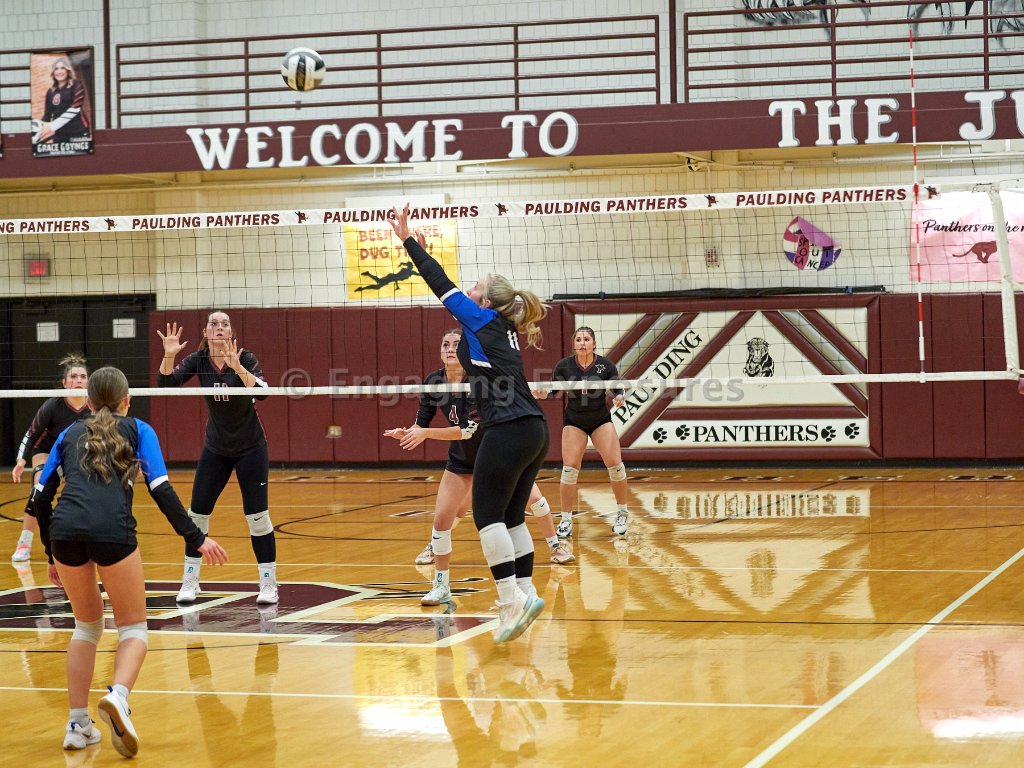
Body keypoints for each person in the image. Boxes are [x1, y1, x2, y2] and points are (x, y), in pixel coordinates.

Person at [32, 366, 228, 757]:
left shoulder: (68, 433)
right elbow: (161, 490)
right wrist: (197, 538)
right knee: (134, 627)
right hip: (112, 530)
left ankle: (77, 724)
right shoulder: (140, 430)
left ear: (88, 402)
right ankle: (118, 696)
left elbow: (39, 499)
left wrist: (52, 553)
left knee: (86, 627)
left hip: (65, 532)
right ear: (127, 400)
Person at [389, 205, 549, 643]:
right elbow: (449, 288)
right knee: (512, 516)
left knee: (488, 516)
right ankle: (527, 593)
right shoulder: (499, 325)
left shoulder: (482, 318)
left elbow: (439, 282)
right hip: (534, 430)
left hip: (508, 428)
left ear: (484, 301)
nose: (468, 287)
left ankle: (510, 603)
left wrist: (408, 241)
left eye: (474, 285)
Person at [384, 330, 573, 606]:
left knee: (530, 502)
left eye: (456, 344)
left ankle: (551, 550)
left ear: (465, 352)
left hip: (495, 456)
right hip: (461, 460)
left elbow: (467, 430)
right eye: (445, 344)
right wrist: (410, 431)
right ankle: (441, 586)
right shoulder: (434, 382)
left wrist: (425, 434)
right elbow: (421, 422)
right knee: (442, 520)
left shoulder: (478, 380)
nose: (450, 349)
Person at [156, 311, 278, 605]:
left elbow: (264, 394)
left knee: (257, 517)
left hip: (251, 448)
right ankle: (190, 580)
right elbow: (165, 385)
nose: (219, 327)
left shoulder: (245, 358)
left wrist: (238, 367)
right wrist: (169, 355)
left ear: (231, 332)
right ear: (206, 332)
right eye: (214, 323)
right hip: (216, 448)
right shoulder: (199, 359)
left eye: (225, 324)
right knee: (197, 514)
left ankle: (268, 584)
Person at [536, 326, 631, 537]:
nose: (582, 343)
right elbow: (553, 390)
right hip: (575, 420)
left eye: (586, 339)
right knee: (569, 470)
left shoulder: (605, 365)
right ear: (574, 344)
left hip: (600, 419)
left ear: (594, 343)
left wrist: (618, 396)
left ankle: (622, 513)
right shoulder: (564, 366)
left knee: (616, 466)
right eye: (578, 339)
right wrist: (542, 394)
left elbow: (616, 387)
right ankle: (566, 520)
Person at [10, 354, 90, 562]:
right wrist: (21, 460)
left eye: (83, 376)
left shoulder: (94, 406)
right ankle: (25, 542)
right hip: (47, 451)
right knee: (39, 491)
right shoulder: (53, 405)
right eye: (73, 376)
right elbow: (31, 434)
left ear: (89, 382)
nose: (79, 380)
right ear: (64, 383)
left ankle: (85, 540)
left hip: (75, 454)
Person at [33, 56, 90, 145]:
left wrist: (53, 125)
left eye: (62, 68)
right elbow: (47, 116)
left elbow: (75, 108)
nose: (59, 71)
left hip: (78, 131)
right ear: (53, 72)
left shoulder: (76, 85)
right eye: (56, 69)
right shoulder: (51, 91)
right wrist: (38, 131)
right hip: (60, 134)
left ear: (68, 70)